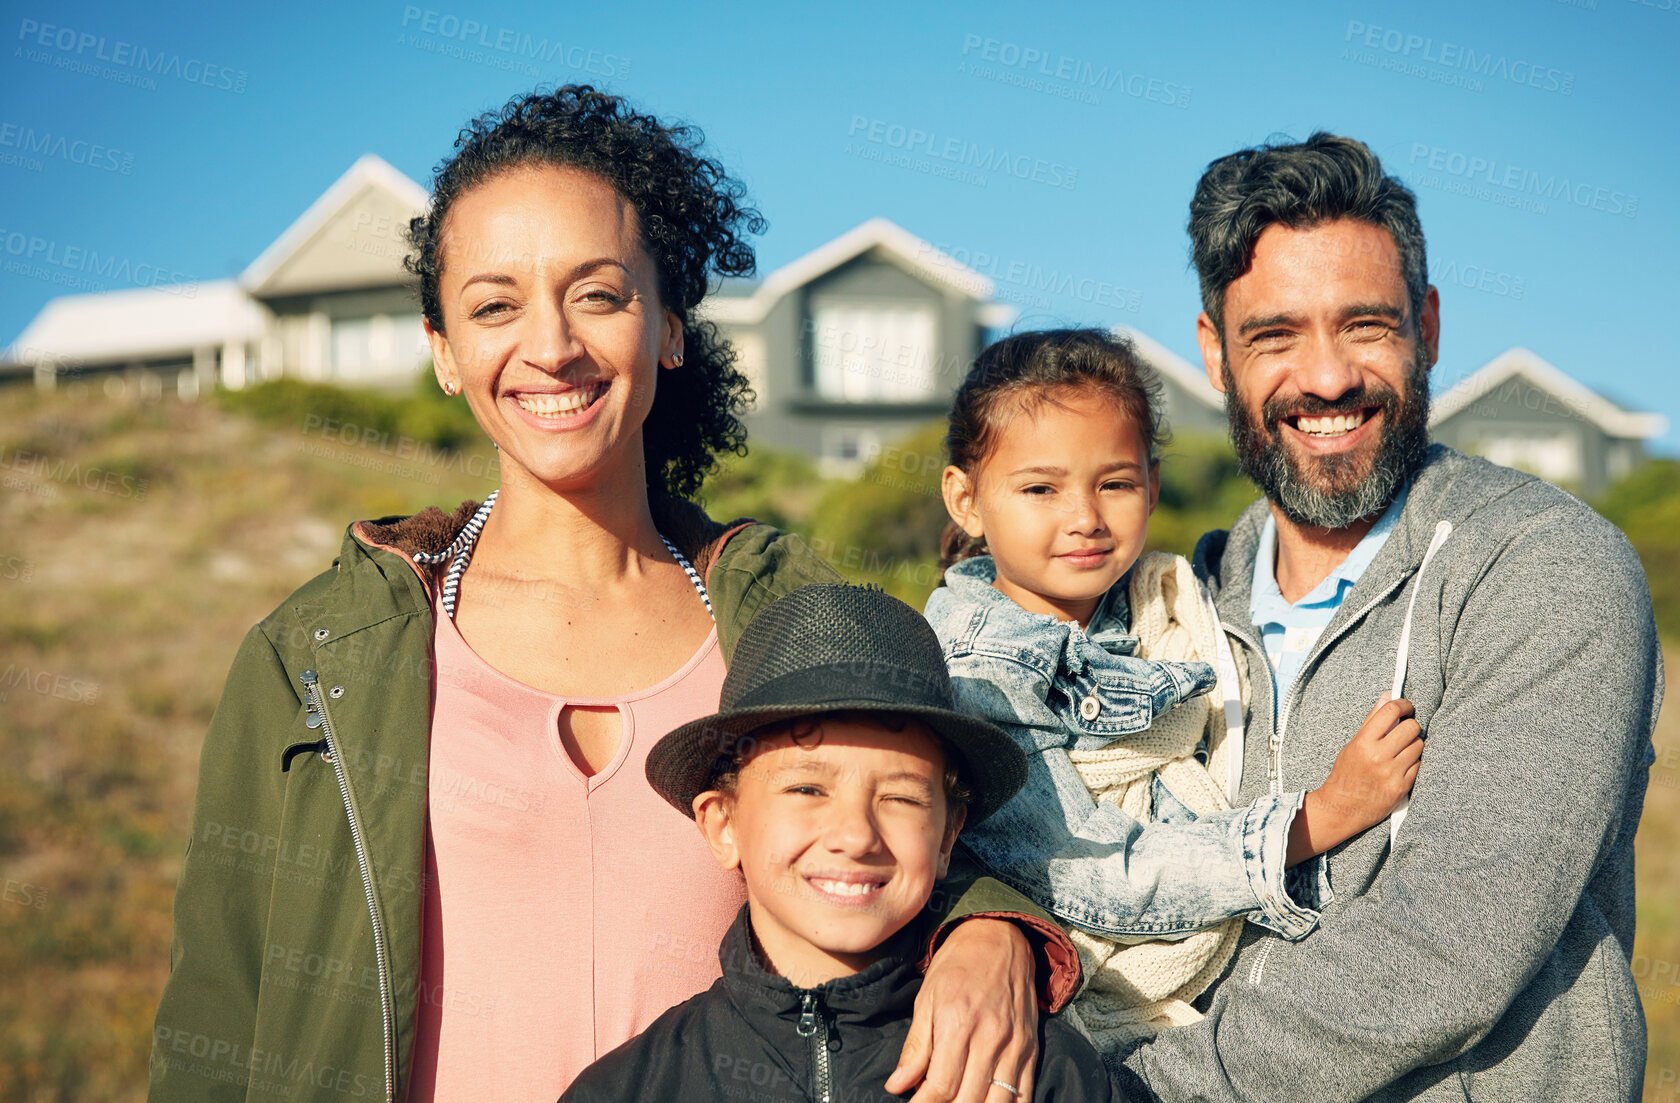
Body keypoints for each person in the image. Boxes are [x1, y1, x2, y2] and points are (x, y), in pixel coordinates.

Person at [149, 85, 1077, 1103]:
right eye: (495, 304)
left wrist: (993, 930)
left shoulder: (787, 615)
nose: (550, 345)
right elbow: (216, 1015)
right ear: (444, 352)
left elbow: (930, 831)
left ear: (671, 326)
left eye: (597, 293)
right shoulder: (315, 653)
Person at [1112, 133, 1662, 1102]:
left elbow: (1453, 936)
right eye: (1274, 335)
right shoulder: (1171, 606)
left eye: (1365, 325)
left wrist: (1145, 1091)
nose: (1326, 379)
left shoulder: (1544, 566)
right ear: (1213, 353)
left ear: (1430, 327)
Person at [923, 327, 1423, 1057]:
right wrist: (1318, 818)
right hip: (1058, 1019)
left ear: (1153, 485)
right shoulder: (979, 670)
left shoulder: (1173, 607)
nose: (1086, 517)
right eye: (1040, 488)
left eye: (1115, 483)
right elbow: (1091, 872)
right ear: (966, 499)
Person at [561, 583, 1121, 1103]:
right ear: (722, 824)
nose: (856, 836)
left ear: (949, 834)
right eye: (807, 788)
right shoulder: (629, 1088)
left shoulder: (1038, 1071)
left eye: (901, 798)